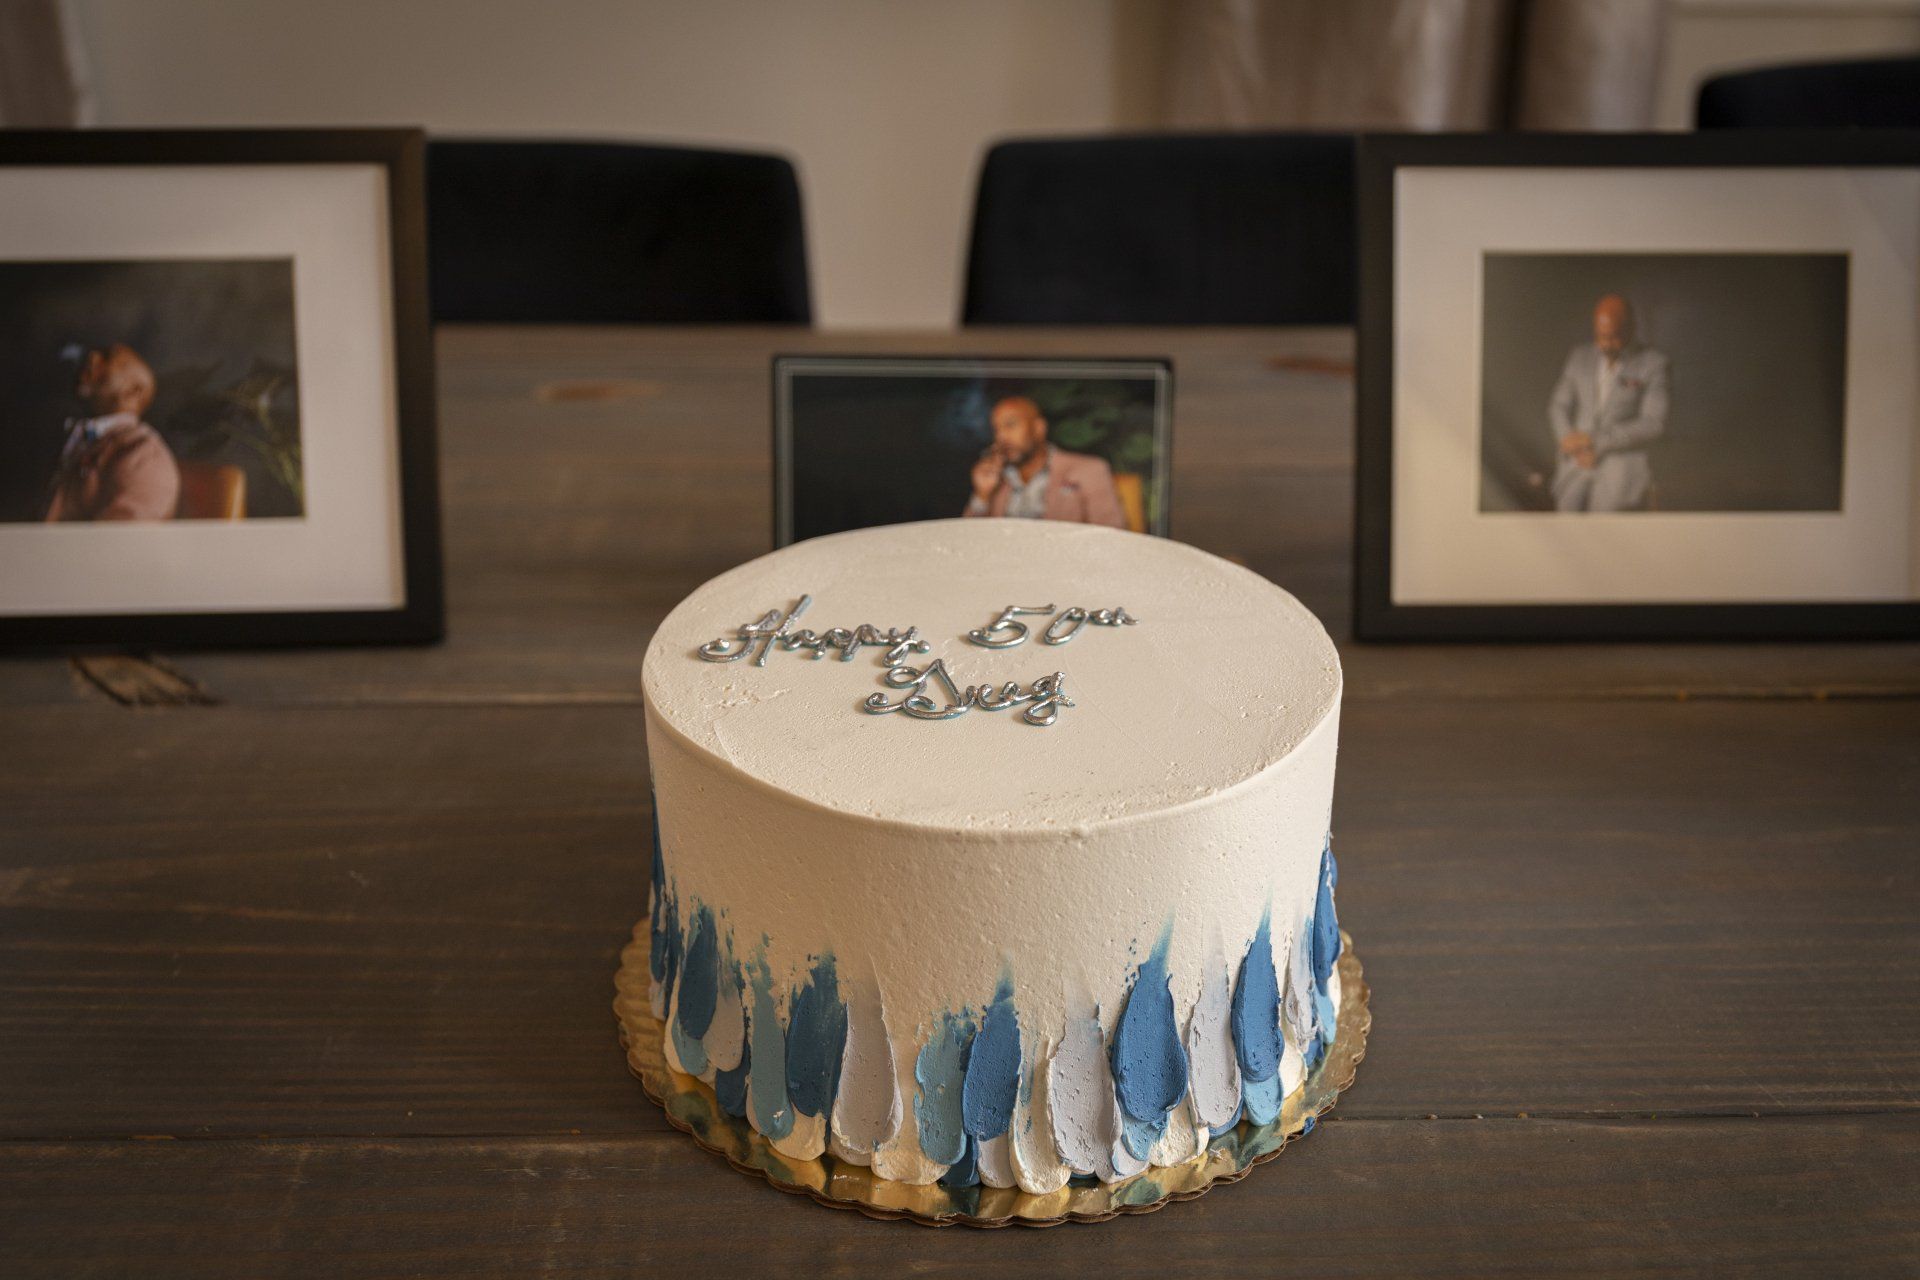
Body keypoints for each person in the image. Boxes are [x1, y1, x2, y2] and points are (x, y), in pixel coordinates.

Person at [1547, 294, 1669, 513]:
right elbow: (1558, 405)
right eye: (1600, 336)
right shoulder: (1579, 357)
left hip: (1621, 468)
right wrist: (1567, 438)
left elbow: (1654, 423)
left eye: (1613, 338)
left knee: (1608, 533)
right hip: (1574, 465)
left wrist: (1596, 442)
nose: (1605, 345)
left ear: (1631, 329)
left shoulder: (1654, 363)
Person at [43, 343, 179, 522]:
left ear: (133, 391)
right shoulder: (80, 438)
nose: (92, 357)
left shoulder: (145, 455)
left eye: (107, 357)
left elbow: (118, 544)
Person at [962, 393, 1125, 527]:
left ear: (1039, 428)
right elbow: (967, 541)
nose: (1001, 437)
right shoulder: (996, 478)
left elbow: (1112, 534)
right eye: (996, 429)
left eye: (1010, 425)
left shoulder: (1089, 470)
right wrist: (982, 495)